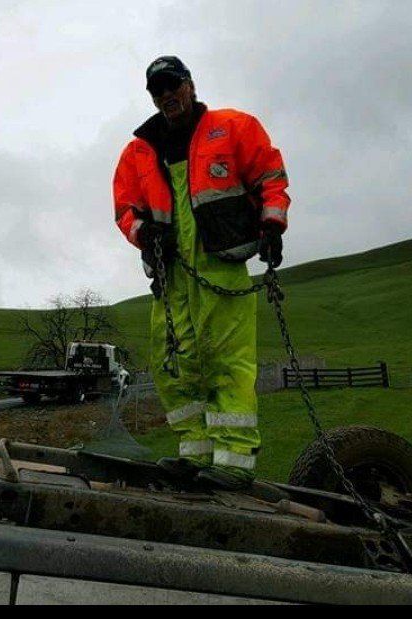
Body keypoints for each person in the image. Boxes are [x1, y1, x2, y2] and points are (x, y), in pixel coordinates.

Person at [112, 56, 290, 489]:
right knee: (174, 365)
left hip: (220, 269)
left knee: (226, 361)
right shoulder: (138, 151)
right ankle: (195, 453)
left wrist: (272, 224)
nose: (166, 95)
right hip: (170, 276)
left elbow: (270, 178)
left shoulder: (233, 127)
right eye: (157, 90)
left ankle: (234, 461)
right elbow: (125, 210)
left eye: (172, 85)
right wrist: (144, 232)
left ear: (189, 85)